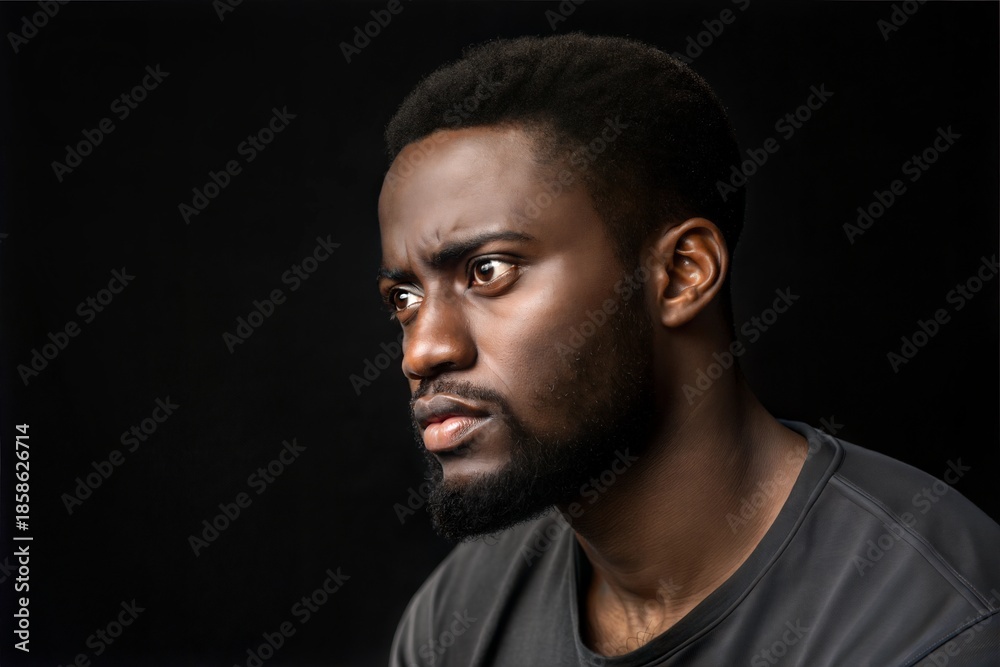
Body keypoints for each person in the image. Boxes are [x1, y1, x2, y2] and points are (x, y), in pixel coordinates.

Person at [375, 33, 1000, 666]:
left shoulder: (935, 630)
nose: (422, 350)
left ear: (681, 273)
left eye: (487, 271)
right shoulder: (457, 619)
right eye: (404, 299)